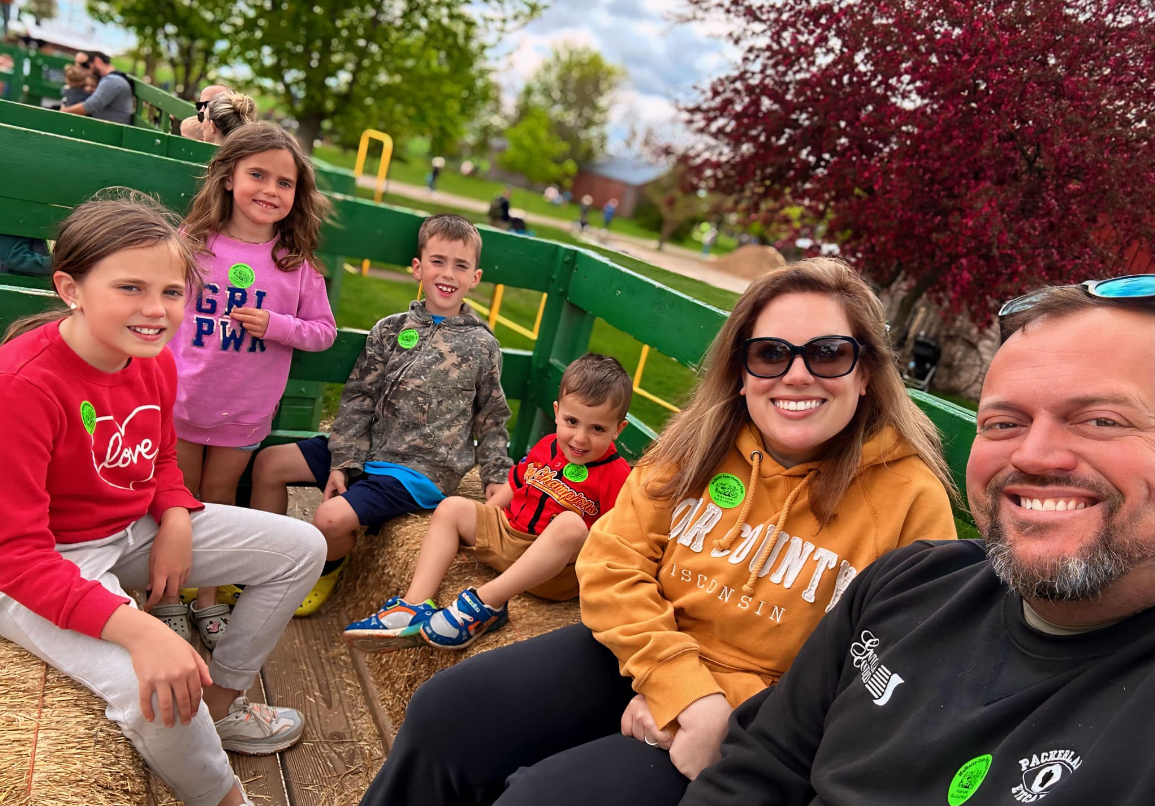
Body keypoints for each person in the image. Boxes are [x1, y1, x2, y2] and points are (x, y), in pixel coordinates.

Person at [358, 257, 960, 806]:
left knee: (542, 799)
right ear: (742, 369)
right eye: (770, 354)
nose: (797, 375)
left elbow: (884, 678)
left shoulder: (909, 499)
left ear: (866, 373)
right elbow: (612, 559)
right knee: (446, 714)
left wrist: (716, 713)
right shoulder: (698, 445)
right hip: (640, 651)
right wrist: (681, 688)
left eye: (828, 353)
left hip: (755, 718)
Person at [679, 275, 1155, 806]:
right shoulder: (908, 584)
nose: (1033, 455)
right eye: (1003, 422)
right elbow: (762, 765)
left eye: (1101, 420)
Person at [0, 191, 327, 806]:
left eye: (172, 292)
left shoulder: (151, 358)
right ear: (70, 288)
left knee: (301, 547)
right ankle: (224, 799)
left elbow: (160, 457)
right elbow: (14, 556)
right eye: (130, 288)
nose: (156, 311)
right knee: (155, 687)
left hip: (129, 530)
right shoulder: (20, 385)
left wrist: (175, 511)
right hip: (41, 563)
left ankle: (221, 705)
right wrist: (141, 633)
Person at [251, 214, 514, 616]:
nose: (448, 274)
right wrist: (344, 461)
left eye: (460, 265)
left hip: (418, 471)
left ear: (475, 277)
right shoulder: (390, 330)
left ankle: (327, 568)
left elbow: (492, 417)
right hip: (368, 448)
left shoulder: (482, 345)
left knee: (331, 519)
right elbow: (358, 398)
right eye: (438, 261)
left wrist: (496, 475)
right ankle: (267, 563)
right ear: (418, 268)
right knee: (269, 463)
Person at [168, 122, 336, 646]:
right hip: (180, 400)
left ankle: (210, 597)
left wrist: (278, 326)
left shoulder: (297, 265)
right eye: (257, 175)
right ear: (227, 178)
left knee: (219, 501)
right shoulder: (191, 245)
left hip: (243, 410)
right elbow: (159, 302)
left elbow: (323, 332)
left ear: (297, 195)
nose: (269, 190)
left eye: (283, 183)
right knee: (177, 497)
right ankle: (170, 594)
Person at [344, 354, 633, 652]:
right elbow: (516, 484)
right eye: (572, 422)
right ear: (557, 413)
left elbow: (615, 540)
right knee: (452, 508)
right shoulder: (547, 445)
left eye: (597, 429)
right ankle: (415, 604)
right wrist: (486, 518)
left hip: (552, 571)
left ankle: (487, 603)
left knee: (572, 525)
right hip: (509, 536)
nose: (580, 438)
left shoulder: (617, 476)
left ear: (618, 429)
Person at [61, 51, 133, 125]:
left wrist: (62, 112)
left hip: (110, 130)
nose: (91, 71)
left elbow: (90, 106)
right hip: (105, 126)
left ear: (97, 61)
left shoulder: (112, 80)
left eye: (90, 65)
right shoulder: (113, 79)